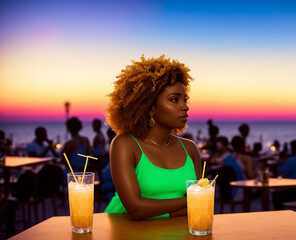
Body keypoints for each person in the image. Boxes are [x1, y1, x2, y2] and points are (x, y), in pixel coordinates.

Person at [103, 55, 201, 220]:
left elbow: (199, 207)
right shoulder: (125, 144)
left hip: (173, 232)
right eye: (174, 100)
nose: (185, 106)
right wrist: (190, 201)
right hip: (126, 233)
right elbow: (136, 209)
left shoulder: (190, 148)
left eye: (185, 99)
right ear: (149, 107)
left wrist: (194, 203)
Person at [222, 136, 255, 200]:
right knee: (263, 191)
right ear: (243, 146)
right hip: (240, 190)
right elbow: (251, 176)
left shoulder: (226, 159)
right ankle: (266, 210)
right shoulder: (246, 159)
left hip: (226, 191)